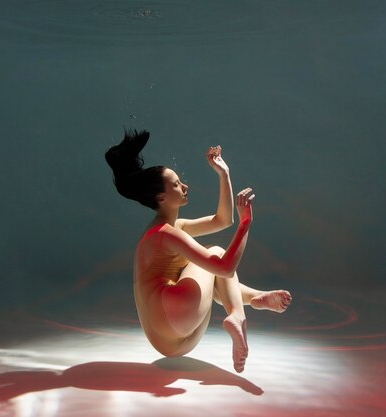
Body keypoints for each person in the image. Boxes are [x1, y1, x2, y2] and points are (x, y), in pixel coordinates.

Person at [105, 129, 292, 373]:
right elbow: (225, 267)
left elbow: (222, 220)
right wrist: (246, 224)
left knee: (210, 271)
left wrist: (223, 174)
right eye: (176, 184)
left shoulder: (171, 228)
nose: (185, 185)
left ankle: (253, 299)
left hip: (169, 340)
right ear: (161, 198)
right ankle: (238, 315)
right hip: (174, 314)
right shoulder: (166, 234)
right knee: (214, 253)